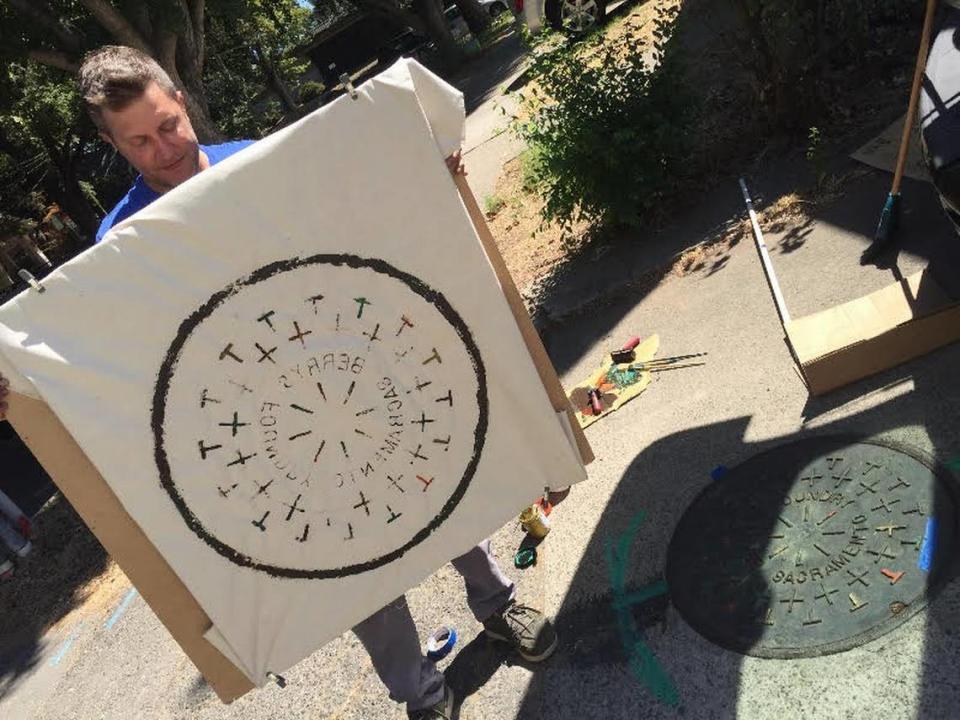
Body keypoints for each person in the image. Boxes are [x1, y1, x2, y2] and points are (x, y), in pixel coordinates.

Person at [0, 46, 557, 720]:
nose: (163, 149)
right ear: (112, 145)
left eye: (168, 125)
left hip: (348, 369)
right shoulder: (120, 242)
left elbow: (362, 225)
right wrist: (24, 391)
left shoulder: (263, 164)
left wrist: (427, 177)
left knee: (429, 486)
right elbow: (101, 368)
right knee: (345, 570)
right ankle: (421, 693)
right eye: (139, 142)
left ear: (179, 97)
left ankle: (498, 604)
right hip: (257, 434)